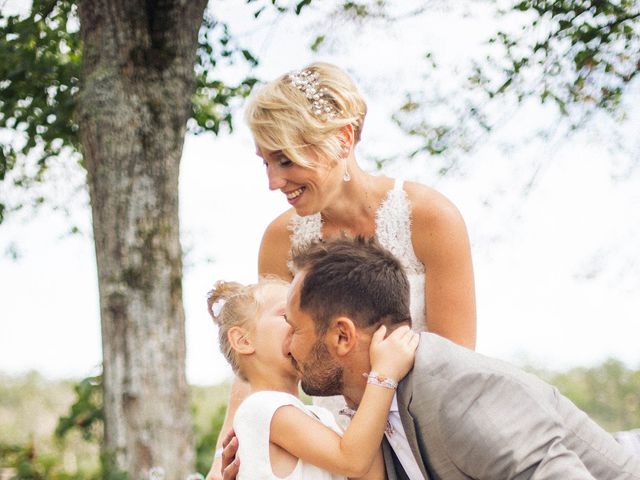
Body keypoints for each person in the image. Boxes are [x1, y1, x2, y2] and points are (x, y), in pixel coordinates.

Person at [208, 61, 477, 479]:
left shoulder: (431, 219)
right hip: (331, 452)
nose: (274, 182)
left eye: (286, 160)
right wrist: (225, 458)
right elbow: (262, 355)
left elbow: (456, 366)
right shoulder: (281, 240)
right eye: (265, 163)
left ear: (343, 138)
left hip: (428, 444)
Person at [222, 237, 640, 480]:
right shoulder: (364, 410)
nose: (290, 345)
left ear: (343, 336)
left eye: (295, 328)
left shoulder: (461, 392)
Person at [206, 277, 419, 479]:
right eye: (287, 316)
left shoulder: (317, 416)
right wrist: (384, 373)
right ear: (243, 340)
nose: (304, 325)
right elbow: (352, 461)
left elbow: (369, 474)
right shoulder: (261, 407)